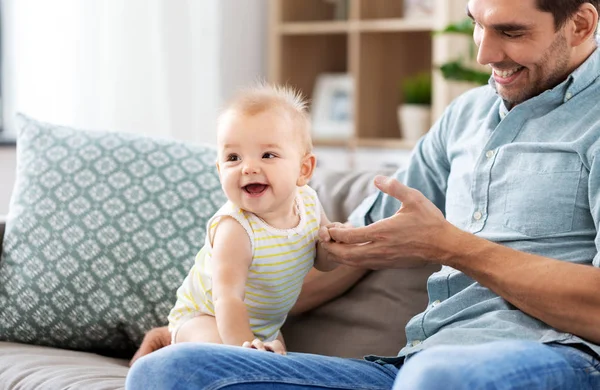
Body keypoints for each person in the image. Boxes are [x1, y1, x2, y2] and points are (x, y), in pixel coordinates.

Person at [126, 0, 600, 388]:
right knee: (167, 373)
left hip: (555, 357)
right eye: (477, 24)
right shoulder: (465, 116)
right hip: (409, 366)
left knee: (437, 380)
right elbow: (354, 247)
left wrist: (451, 246)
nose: (483, 54)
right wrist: (197, 327)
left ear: (580, 24)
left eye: (511, 32)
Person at [166, 84, 339, 355]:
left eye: (267, 155)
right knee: (220, 351)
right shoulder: (234, 228)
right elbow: (227, 298)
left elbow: (324, 262)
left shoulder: (309, 203)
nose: (248, 167)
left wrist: (334, 245)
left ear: (303, 169)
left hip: (266, 327)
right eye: (233, 157)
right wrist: (245, 349)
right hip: (205, 318)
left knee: (280, 365)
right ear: (219, 169)